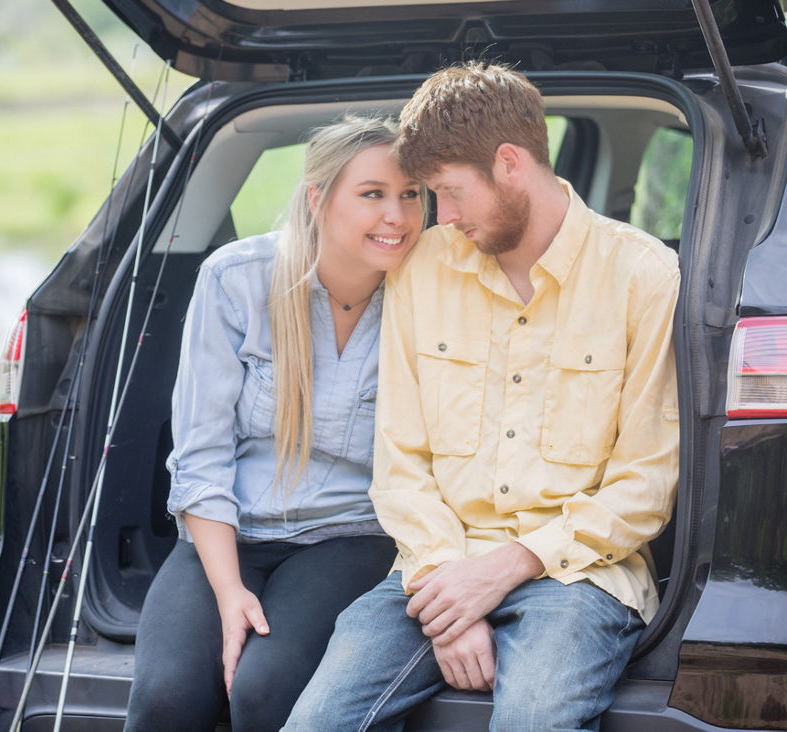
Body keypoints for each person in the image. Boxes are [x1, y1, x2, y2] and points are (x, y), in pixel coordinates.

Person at [283, 62, 681, 732]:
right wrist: (448, 591)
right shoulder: (424, 268)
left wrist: (497, 573)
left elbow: (647, 483)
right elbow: (401, 463)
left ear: (509, 163)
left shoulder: (643, 275)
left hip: (578, 575)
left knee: (531, 721)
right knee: (317, 723)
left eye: (449, 192)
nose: (440, 217)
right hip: (435, 566)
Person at [124, 115, 424, 732]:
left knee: (263, 694)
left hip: (350, 536)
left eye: (411, 194)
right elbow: (201, 455)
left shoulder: (431, 297)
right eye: (373, 194)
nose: (397, 215)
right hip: (225, 531)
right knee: (166, 700)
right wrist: (230, 594)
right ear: (318, 199)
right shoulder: (236, 280)